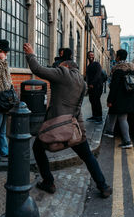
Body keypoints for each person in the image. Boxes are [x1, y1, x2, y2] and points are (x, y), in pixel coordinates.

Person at [23, 42, 112, 198]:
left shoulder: (63, 73)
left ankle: (48, 182)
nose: (57, 67)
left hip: (57, 126)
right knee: (88, 156)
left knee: (38, 148)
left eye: (60, 65)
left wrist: (30, 54)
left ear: (65, 65)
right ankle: (103, 186)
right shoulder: (82, 82)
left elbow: (37, 69)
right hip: (75, 127)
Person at [104, 49, 134, 148]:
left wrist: (109, 100)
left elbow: (113, 87)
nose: (115, 57)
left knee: (122, 118)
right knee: (113, 114)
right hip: (128, 97)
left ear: (118, 57)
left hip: (119, 99)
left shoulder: (117, 70)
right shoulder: (131, 69)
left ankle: (127, 141)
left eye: (116, 55)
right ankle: (109, 131)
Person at [86, 51, 104, 124]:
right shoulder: (88, 66)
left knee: (96, 101)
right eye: (90, 55)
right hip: (91, 87)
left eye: (92, 55)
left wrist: (92, 83)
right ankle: (94, 116)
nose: (91, 56)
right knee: (92, 101)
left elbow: (98, 75)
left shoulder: (97, 64)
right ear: (87, 56)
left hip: (97, 86)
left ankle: (99, 118)